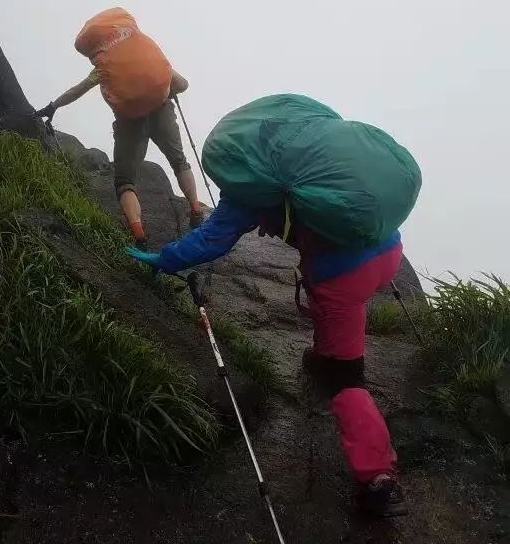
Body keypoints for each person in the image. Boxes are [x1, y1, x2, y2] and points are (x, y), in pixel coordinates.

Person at [126, 94, 422, 518]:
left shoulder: (248, 189)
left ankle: (378, 479)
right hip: (388, 251)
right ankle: (324, 356)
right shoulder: (306, 149)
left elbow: (210, 240)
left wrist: (164, 259)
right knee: (343, 316)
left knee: (346, 379)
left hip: (341, 273)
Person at [37, 8, 203, 248]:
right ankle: (196, 210)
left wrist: (53, 106)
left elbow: (77, 90)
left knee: (125, 181)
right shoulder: (150, 55)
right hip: (162, 110)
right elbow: (183, 84)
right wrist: (167, 89)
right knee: (179, 161)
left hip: (129, 123)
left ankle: (139, 236)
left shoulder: (103, 66)